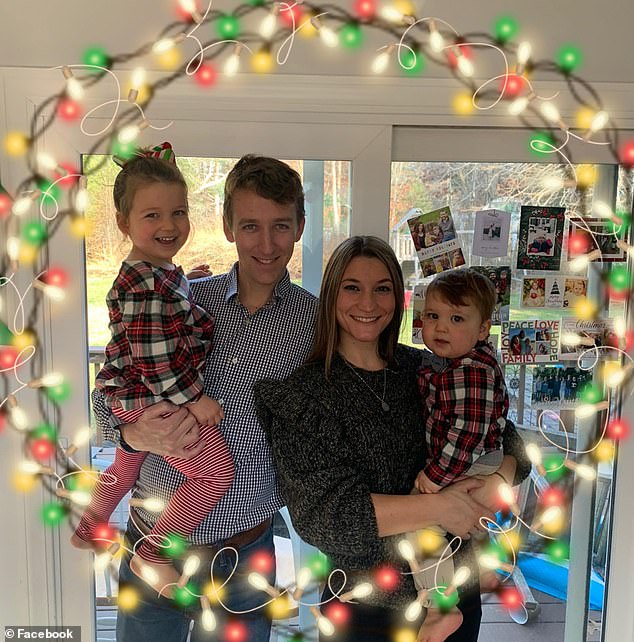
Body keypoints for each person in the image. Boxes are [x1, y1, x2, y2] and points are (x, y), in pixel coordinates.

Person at [254, 236, 530, 642]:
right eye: (352, 287)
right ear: (331, 295)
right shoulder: (306, 395)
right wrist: (441, 506)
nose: (368, 304)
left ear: (398, 298)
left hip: (457, 596)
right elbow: (324, 517)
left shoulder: (425, 367)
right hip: (365, 609)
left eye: (382, 288)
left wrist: (498, 481)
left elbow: (506, 437)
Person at [92, 154, 318, 642]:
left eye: (280, 226)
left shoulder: (315, 324)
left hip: (245, 548)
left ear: (300, 227)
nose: (266, 243)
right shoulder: (185, 297)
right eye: (250, 225)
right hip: (154, 536)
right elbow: (106, 394)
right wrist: (128, 433)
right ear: (227, 226)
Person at [72, 144, 235, 597]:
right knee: (214, 474)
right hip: (156, 396)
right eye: (152, 216)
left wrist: (189, 279)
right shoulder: (146, 286)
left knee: (124, 468)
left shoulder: (155, 273)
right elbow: (156, 360)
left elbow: (168, 302)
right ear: (124, 223)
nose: (169, 225)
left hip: (130, 398)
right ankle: (153, 551)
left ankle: (88, 526)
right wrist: (194, 399)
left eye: (178, 212)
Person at [412, 268, 512, 640]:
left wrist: (435, 477)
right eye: (434, 316)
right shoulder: (457, 364)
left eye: (457, 319)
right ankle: (485, 563)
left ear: (483, 329)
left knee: (419, 526)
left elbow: (466, 434)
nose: (440, 327)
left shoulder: (469, 371)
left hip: (467, 459)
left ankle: (442, 606)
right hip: (474, 457)